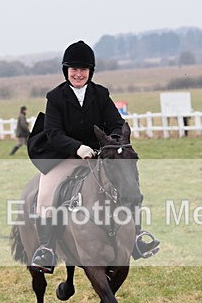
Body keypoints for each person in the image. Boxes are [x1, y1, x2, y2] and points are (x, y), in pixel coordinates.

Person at [27, 40, 160, 273]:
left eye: (83, 69)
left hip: (98, 156)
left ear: (90, 71)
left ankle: (138, 236)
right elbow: (53, 133)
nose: (78, 74)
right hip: (64, 157)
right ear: (66, 71)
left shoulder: (100, 94)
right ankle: (46, 248)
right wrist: (77, 148)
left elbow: (116, 123)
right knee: (45, 195)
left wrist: (112, 143)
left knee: (127, 183)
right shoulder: (55, 97)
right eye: (74, 69)